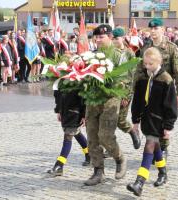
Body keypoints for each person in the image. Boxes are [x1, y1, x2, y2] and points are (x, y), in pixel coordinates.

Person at [127, 47, 177, 196]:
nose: (147, 67)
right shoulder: (142, 78)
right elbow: (137, 101)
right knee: (155, 147)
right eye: (145, 64)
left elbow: (171, 105)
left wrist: (168, 127)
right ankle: (163, 173)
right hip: (146, 120)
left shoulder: (166, 79)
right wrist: (135, 120)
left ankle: (139, 182)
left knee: (149, 145)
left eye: (150, 64)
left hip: (159, 121)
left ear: (158, 62)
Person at [135, 18, 178, 159]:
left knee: (163, 117)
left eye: (156, 28)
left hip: (165, 89)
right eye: (151, 29)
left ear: (162, 29)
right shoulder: (146, 47)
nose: (153, 31)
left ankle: (163, 146)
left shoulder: (171, 47)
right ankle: (153, 147)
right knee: (150, 118)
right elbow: (140, 71)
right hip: (149, 90)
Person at [84, 24, 127, 186]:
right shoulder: (91, 55)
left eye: (101, 37)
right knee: (92, 137)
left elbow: (125, 79)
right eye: (96, 37)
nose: (98, 40)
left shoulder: (118, 56)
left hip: (110, 100)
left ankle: (119, 157)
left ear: (110, 37)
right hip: (92, 101)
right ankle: (98, 171)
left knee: (105, 136)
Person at [46, 88, 90, 177]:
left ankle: (59, 166)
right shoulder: (61, 79)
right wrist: (58, 110)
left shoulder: (78, 78)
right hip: (65, 112)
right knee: (76, 133)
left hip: (75, 113)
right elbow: (57, 94)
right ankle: (89, 154)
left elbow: (84, 98)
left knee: (68, 137)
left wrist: (84, 115)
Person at [112, 27, 141, 149]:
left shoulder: (129, 53)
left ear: (123, 38)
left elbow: (132, 76)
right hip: (110, 92)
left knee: (120, 120)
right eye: (112, 38)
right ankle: (110, 147)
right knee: (109, 121)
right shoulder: (109, 52)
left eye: (116, 38)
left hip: (124, 92)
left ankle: (133, 132)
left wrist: (127, 95)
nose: (114, 41)